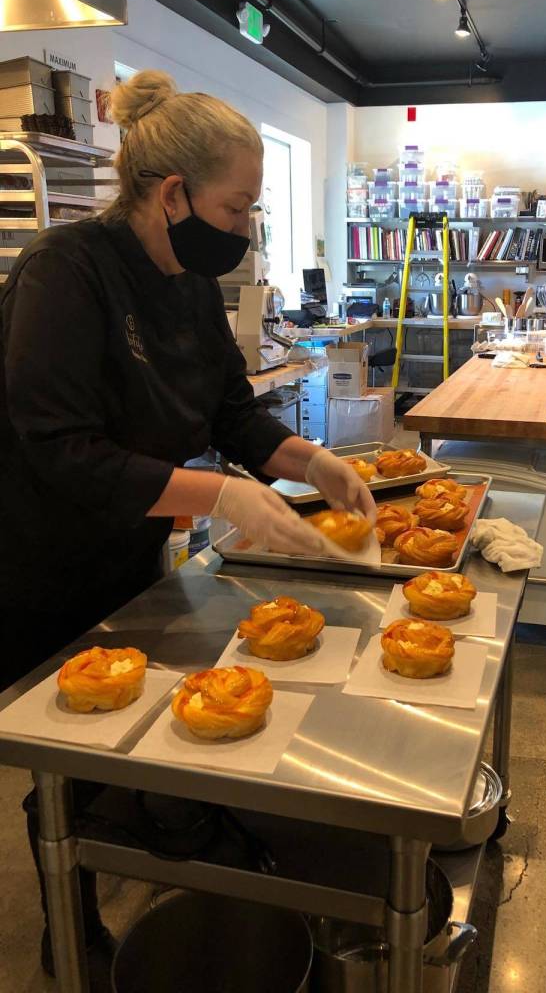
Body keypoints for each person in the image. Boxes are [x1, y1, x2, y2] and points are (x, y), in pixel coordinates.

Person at [0, 69, 375, 979]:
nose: (246, 227)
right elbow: (60, 450)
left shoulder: (193, 291)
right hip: (38, 558)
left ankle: (144, 833)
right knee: (67, 739)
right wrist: (220, 498)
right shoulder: (66, 272)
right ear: (172, 195)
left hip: (133, 549)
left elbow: (230, 419)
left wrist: (308, 464)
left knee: (142, 710)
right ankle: (68, 902)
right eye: (238, 206)